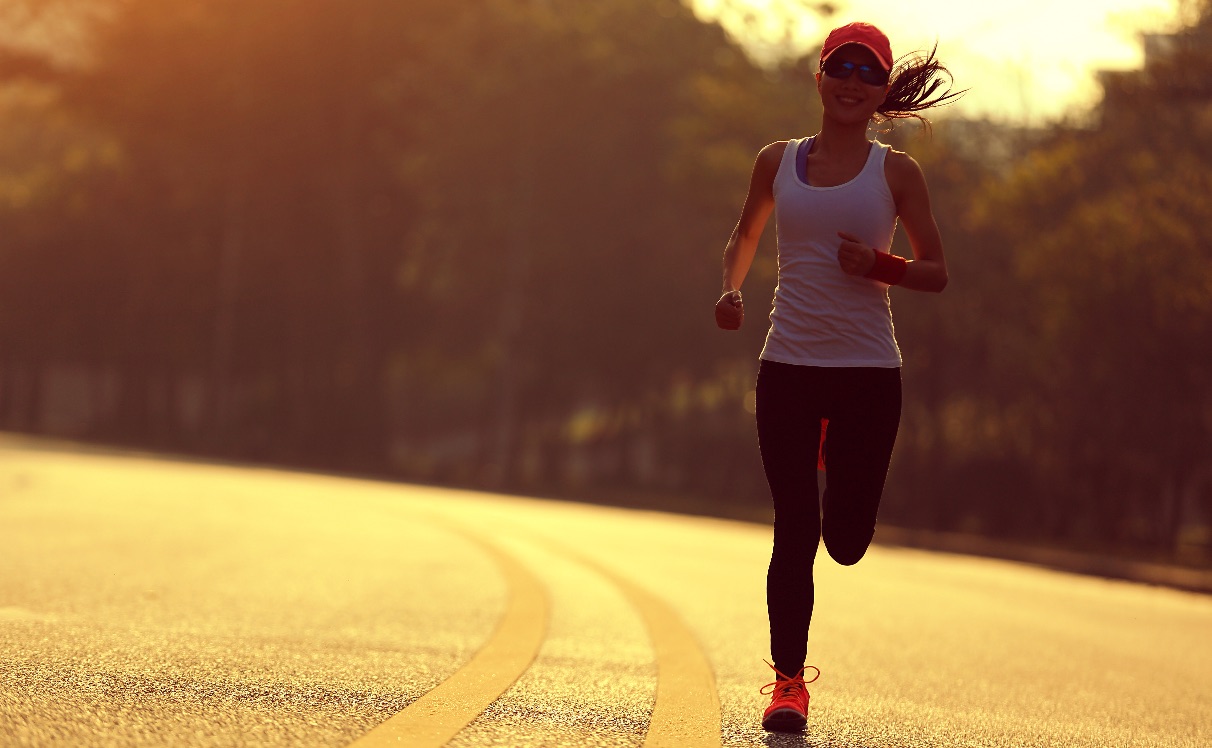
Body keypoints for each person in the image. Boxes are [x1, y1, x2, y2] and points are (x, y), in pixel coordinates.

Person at [713, 21, 961, 733]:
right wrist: (731, 290)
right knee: (794, 525)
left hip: (868, 375)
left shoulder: (897, 173)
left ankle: (836, 461)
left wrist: (880, 267)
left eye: (868, 72)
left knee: (844, 540)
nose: (852, 81)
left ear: (882, 89)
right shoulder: (777, 160)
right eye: (840, 67)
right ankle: (788, 683)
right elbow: (748, 232)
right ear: (819, 77)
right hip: (787, 366)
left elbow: (937, 271)